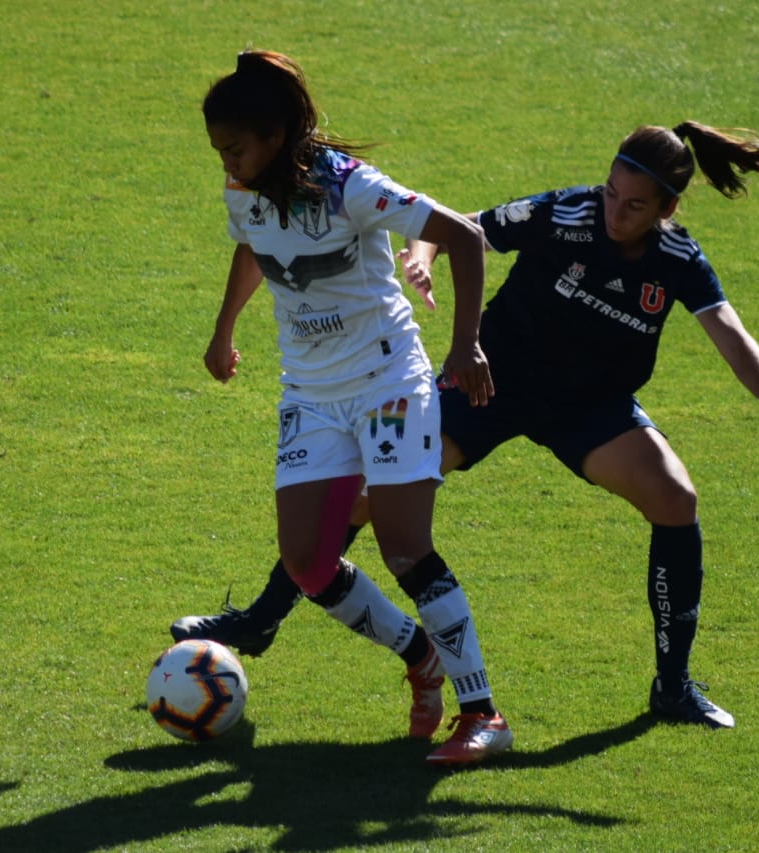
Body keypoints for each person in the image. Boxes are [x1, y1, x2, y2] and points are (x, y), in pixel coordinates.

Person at [175, 118, 759, 730]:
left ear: (666, 210)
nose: (613, 211)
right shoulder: (566, 212)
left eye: (633, 206)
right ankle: (263, 619)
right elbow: (462, 226)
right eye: (610, 193)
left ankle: (672, 686)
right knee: (371, 498)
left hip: (589, 408)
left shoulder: (679, 261)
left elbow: (729, 331)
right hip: (488, 384)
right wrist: (422, 258)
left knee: (676, 500)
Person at [197, 49, 511, 765]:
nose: (229, 162)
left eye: (237, 147)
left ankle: (483, 711)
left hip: (388, 383)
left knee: (405, 545)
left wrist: (467, 345)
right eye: (219, 150)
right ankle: (420, 654)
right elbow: (252, 244)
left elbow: (463, 235)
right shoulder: (242, 186)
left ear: (275, 135)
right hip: (310, 392)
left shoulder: (349, 188)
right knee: (307, 562)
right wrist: (223, 328)